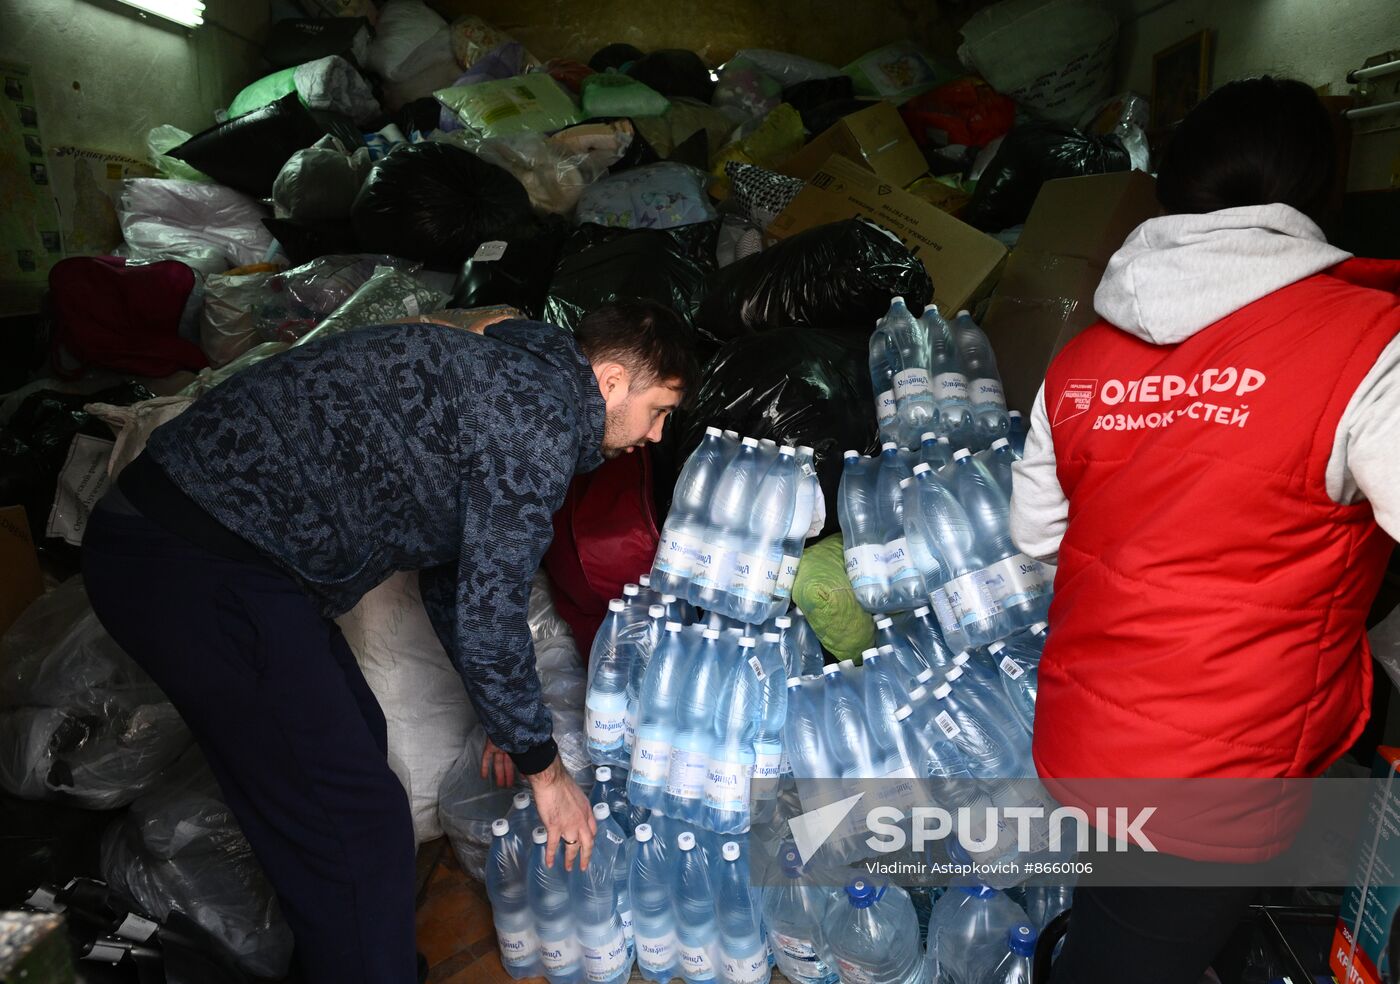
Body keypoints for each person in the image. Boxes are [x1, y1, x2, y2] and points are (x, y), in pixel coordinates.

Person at [81, 300, 696, 984]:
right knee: (358, 823)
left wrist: (505, 719)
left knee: (354, 747)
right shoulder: (539, 422)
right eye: (659, 411)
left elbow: (452, 577)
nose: (657, 435)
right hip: (196, 562)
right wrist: (546, 776)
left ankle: (365, 960)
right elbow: (490, 613)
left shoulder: (509, 377)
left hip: (195, 544)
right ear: (610, 382)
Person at [1010, 77, 1400, 983]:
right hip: (1228, 770)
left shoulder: (1084, 356)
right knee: (1132, 958)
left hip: (1084, 739)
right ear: (1321, 185)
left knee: (1128, 928)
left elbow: (1036, 533)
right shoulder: (1367, 344)